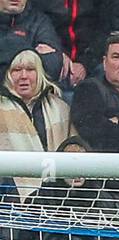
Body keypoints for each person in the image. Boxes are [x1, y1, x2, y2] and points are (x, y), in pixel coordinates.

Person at [0, 49, 73, 197]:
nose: (23, 76)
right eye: (17, 70)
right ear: (7, 74)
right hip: (9, 200)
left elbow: (74, 150)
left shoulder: (60, 108)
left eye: (30, 69)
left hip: (58, 198)